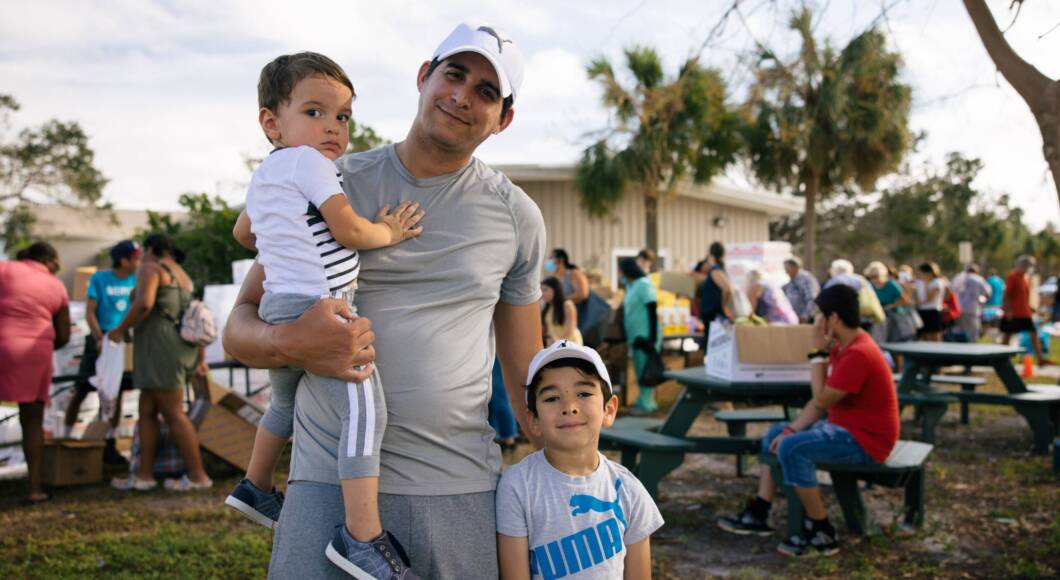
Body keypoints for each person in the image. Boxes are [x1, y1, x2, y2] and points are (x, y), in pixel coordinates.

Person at [223, 22, 545, 579]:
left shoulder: (517, 215)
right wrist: (291, 342)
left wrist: (562, 471)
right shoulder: (327, 179)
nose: (461, 96)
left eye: (486, 92)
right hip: (326, 487)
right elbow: (240, 327)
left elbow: (524, 371)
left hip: (459, 488)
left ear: (503, 119)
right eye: (453, 75)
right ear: (423, 77)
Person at [223, 52, 426, 577]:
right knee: (366, 412)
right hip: (320, 304)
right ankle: (362, 537)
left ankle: (255, 485)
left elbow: (244, 233)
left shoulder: (267, 174)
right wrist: (390, 231)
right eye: (314, 112)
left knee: (283, 401)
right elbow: (350, 230)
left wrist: (285, 242)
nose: (333, 127)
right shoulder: (311, 164)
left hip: (279, 304)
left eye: (343, 116)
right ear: (272, 122)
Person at [716, 284, 899, 557]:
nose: (815, 321)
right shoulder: (845, 346)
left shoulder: (859, 353)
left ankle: (821, 529)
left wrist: (817, 352)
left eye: (819, 315)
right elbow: (820, 403)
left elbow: (821, 399)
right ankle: (760, 512)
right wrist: (790, 429)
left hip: (867, 442)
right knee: (776, 434)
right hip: (844, 430)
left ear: (833, 318)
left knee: (793, 448)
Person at [496, 340, 664, 578]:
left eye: (584, 393)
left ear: (609, 410)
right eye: (552, 398)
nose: (569, 407)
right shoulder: (517, 486)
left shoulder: (628, 489)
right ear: (533, 420)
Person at [108, 233, 211, 492]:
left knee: (173, 413)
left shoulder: (151, 268)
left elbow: (144, 304)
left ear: (151, 249)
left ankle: (198, 476)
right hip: (175, 347)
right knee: (146, 410)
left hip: (160, 348)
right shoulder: (181, 273)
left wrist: (120, 330)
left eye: (143, 251)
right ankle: (144, 475)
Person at [0, 242, 70, 503]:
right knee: (32, 420)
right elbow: (63, 334)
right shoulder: (56, 286)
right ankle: (35, 489)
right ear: (49, 260)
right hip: (34, 351)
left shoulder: (5, 269)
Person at [63, 240, 141, 463]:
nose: (138, 262)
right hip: (101, 338)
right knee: (83, 388)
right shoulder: (99, 278)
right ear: (123, 260)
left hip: (124, 340)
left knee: (117, 391)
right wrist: (100, 339)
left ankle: (109, 441)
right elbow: (90, 312)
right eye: (135, 258)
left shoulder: (137, 279)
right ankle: (66, 438)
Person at [619, 258, 661, 416]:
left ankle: (647, 404)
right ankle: (644, 401)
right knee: (639, 368)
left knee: (646, 370)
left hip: (646, 335)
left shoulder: (644, 284)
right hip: (636, 336)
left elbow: (652, 308)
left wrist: (652, 337)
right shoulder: (630, 286)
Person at [1001, 255, 1047, 365]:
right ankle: (1000, 358)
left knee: (1033, 334)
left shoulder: (1025, 278)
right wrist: (1008, 311)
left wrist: (1030, 307)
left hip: (1025, 313)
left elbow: (1024, 296)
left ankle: (1040, 359)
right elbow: (1007, 294)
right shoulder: (1013, 277)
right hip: (1014, 313)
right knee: (1007, 336)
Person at [864, 261, 909, 343]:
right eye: (871, 277)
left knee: (895, 342)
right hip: (881, 318)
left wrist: (892, 305)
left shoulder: (892, 284)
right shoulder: (871, 286)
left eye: (876, 276)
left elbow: (905, 300)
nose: (874, 279)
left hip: (895, 317)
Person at [696, 241, 734, 336]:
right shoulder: (716, 271)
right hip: (711, 316)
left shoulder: (715, 271)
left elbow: (728, 289)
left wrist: (724, 306)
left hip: (713, 316)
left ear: (710, 255)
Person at [951, 264, 992, 343]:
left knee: (959, 330)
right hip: (973, 308)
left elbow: (951, 290)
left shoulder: (959, 277)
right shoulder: (978, 279)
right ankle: (972, 346)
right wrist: (982, 300)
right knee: (973, 331)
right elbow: (988, 292)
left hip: (958, 308)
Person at [540, 276, 581, 345]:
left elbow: (570, 329)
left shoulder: (567, 304)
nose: (543, 294)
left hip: (569, 343)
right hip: (555, 344)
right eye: (542, 291)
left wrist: (559, 343)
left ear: (555, 289)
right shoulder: (547, 307)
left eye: (545, 290)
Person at [915, 262, 946, 342]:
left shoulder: (937, 282)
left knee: (934, 335)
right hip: (922, 311)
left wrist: (926, 285)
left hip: (933, 311)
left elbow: (929, 299)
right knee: (924, 335)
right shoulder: (921, 282)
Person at [782, 256, 819, 323]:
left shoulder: (805, 278)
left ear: (795, 267)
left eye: (787, 267)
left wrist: (806, 315)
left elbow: (812, 298)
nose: (785, 270)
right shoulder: (791, 281)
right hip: (795, 319)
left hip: (806, 319)